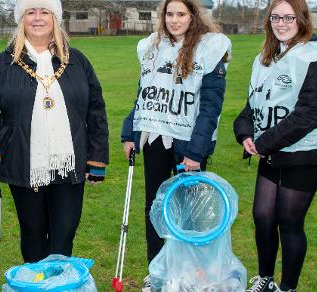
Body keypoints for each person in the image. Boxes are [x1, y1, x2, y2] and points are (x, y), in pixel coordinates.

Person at [0, 0, 109, 263]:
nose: (38, 18)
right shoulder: (3, 64)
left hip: (69, 165)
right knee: (33, 232)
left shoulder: (77, 60)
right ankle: (35, 282)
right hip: (24, 162)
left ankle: (57, 283)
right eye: (30, 12)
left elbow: (96, 110)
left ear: (55, 18)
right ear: (21, 19)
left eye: (44, 11)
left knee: (64, 232)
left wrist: (97, 157)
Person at [234, 0, 317, 291]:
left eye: (288, 18)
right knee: (263, 217)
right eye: (275, 18)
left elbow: (309, 114)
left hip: (305, 155)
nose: (281, 24)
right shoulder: (266, 57)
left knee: (289, 221)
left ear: (302, 19)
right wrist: (245, 132)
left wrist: (264, 143)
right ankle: (266, 279)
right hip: (272, 153)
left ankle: (288, 287)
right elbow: (252, 106)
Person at [120, 0, 230, 288]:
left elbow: (211, 107)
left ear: (193, 16)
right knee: (154, 206)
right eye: (169, 14)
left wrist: (196, 150)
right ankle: (156, 270)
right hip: (155, 137)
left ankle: (189, 273)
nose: (174, 20)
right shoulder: (152, 47)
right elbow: (145, 93)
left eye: (181, 14)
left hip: (187, 143)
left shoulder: (210, 48)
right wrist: (129, 132)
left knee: (188, 211)